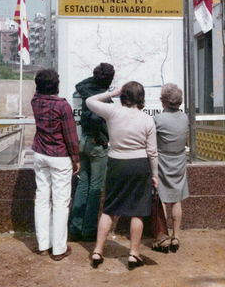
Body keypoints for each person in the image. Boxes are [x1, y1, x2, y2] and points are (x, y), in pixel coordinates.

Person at [86, 81, 158, 270]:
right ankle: (133, 254)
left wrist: (111, 93)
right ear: (141, 98)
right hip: (140, 164)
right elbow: (153, 152)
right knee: (138, 211)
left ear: (123, 96)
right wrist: (155, 174)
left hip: (116, 163)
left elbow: (90, 101)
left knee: (109, 208)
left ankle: (97, 251)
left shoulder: (113, 112)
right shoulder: (147, 119)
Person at [31, 69, 80, 261]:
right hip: (59, 156)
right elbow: (70, 134)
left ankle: (43, 244)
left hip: (40, 153)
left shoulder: (35, 101)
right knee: (60, 203)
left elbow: (38, 92)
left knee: (42, 199)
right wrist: (76, 158)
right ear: (57, 86)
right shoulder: (62, 106)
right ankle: (59, 248)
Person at [69, 63, 115, 242]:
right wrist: (100, 137)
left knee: (82, 185)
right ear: (110, 80)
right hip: (96, 144)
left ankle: (75, 227)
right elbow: (96, 118)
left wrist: (97, 81)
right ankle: (88, 229)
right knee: (96, 188)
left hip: (83, 142)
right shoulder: (102, 98)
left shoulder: (87, 91)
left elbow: (79, 84)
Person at [152, 83, 189, 253]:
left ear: (164, 101)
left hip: (163, 161)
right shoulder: (185, 117)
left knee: (162, 199)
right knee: (176, 199)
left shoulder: (158, 120)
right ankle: (176, 236)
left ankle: (164, 237)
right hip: (179, 160)